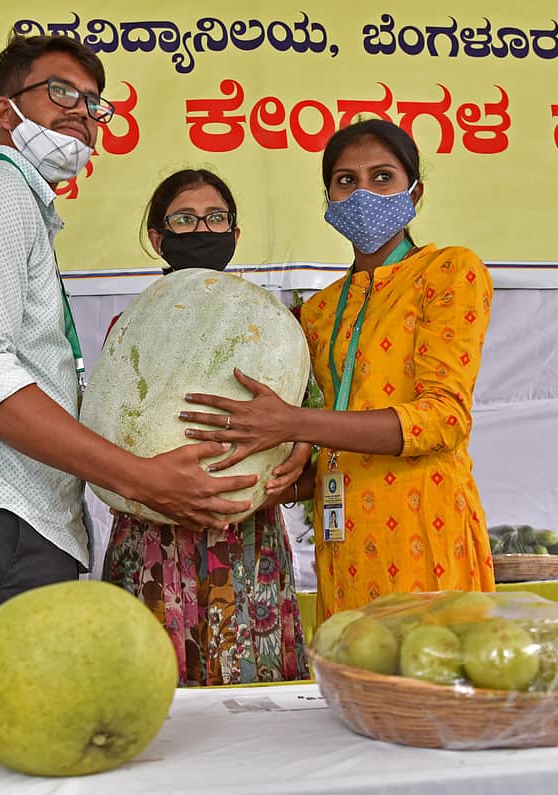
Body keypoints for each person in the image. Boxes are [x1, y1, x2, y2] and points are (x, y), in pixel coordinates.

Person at [0, 35, 257, 644]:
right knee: (8, 724)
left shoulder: (21, 208)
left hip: (16, 523)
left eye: (94, 102)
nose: (82, 112)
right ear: (4, 112)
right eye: (61, 91)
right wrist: (141, 477)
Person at [176, 119, 496, 623]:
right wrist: (280, 481)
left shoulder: (450, 272)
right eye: (346, 180)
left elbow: (442, 420)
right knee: (349, 690)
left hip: (423, 527)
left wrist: (290, 423)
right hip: (341, 539)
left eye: (382, 177)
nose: (362, 192)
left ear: (416, 190)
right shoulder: (319, 313)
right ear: (328, 196)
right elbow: (321, 438)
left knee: (427, 683)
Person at [102, 169, 310, 686]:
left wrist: (300, 450)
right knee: (153, 695)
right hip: (154, 530)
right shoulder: (128, 322)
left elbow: (307, 407)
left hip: (245, 531)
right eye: (184, 219)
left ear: (234, 235)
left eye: (216, 218)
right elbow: (106, 428)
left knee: (254, 709)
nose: (202, 229)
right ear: (158, 237)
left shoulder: (273, 322)